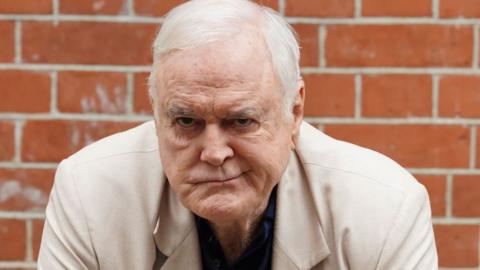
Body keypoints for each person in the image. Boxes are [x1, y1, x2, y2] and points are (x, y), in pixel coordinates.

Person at [37, 0, 438, 269]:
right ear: (156, 114)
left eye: (241, 121)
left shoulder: (383, 209)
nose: (213, 152)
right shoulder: (90, 195)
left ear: (294, 111)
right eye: (186, 121)